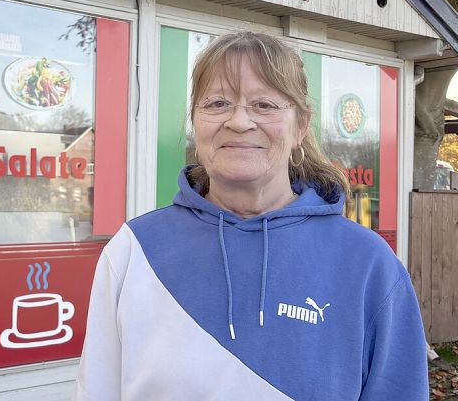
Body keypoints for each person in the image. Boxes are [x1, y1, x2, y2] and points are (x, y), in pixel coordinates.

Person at [73, 32, 428, 400]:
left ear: (301, 126)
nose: (239, 121)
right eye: (217, 103)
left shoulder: (367, 263)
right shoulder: (134, 251)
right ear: (196, 121)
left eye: (264, 105)